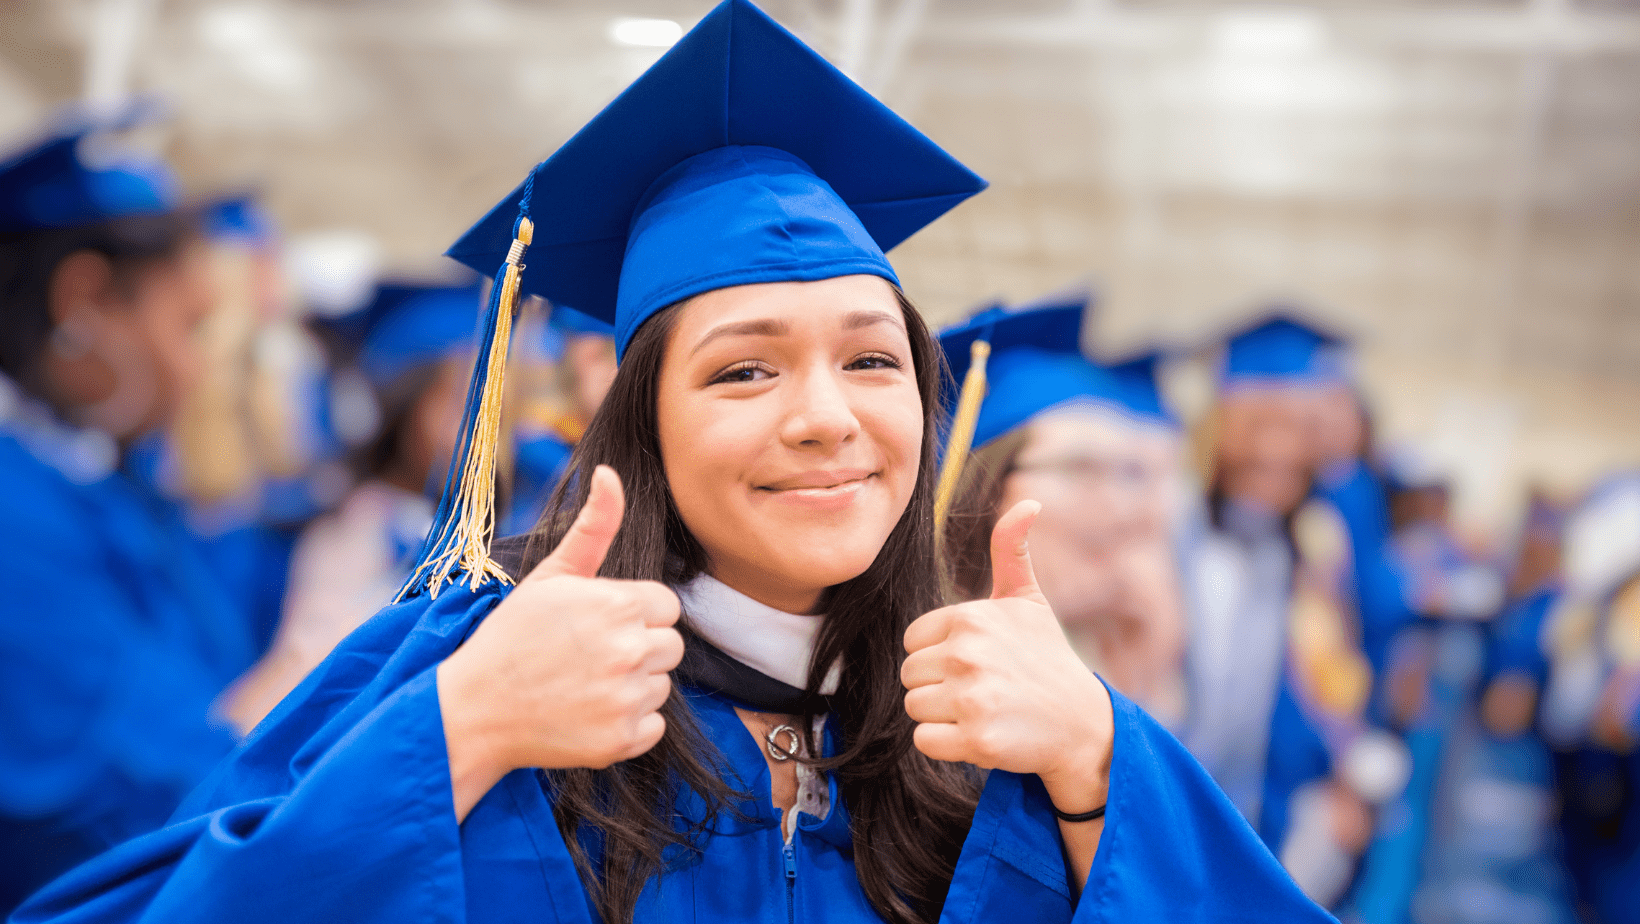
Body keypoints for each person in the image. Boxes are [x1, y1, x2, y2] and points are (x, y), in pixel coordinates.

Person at [14, 4, 1330, 922]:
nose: (829, 418)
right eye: (744, 368)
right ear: (637, 424)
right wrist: (458, 738)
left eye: (873, 361)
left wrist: (1107, 773)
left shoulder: (1009, 712)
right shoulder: (468, 667)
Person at [0, 110, 258, 911]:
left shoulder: (93, 478)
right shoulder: (16, 516)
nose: (198, 373)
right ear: (84, 302)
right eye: (190, 327)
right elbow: (151, 785)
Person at [220, 280, 482, 730]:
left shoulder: (482, 519)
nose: (482, 424)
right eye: (460, 400)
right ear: (405, 406)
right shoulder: (358, 528)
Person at [937, 296, 1188, 723]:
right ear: (985, 491)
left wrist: (1142, 680)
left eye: (1127, 474)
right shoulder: (930, 668)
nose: (1125, 506)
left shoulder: (1112, 644)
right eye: (1079, 468)